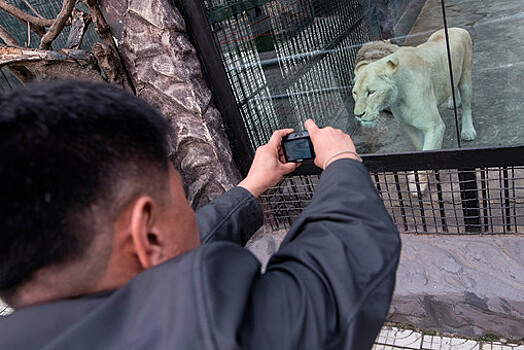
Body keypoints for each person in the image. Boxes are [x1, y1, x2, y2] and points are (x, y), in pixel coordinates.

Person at [0, 80, 400, 349]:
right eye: (175, 184)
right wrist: (343, 160)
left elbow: (172, 257)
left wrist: (251, 186)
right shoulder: (206, 334)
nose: (190, 211)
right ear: (147, 234)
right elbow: (328, 288)